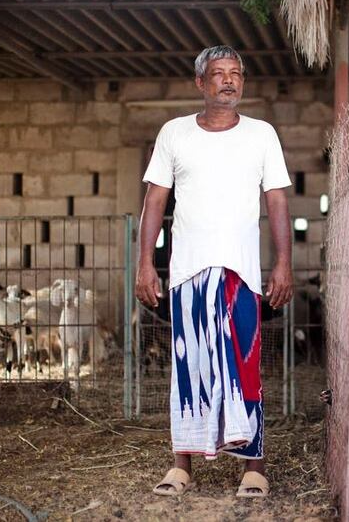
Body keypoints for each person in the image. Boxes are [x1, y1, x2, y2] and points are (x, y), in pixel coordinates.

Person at [137, 45, 293, 498]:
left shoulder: (262, 134)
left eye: (236, 73)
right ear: (200, 83)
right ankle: (181, 466)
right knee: (189, 368)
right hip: (187, 274)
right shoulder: (175, 134)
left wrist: (283, 262)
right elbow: (154, 200)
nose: (229, 80)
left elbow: (277, 200)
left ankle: (254, 468)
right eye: (219, 74)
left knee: (244, 367)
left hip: (239, 274)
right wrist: (147, 262)